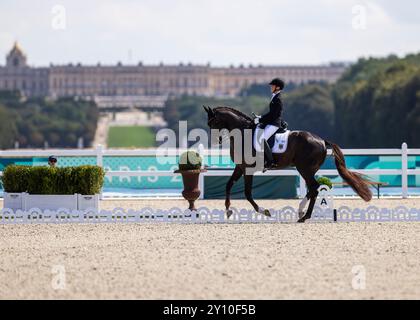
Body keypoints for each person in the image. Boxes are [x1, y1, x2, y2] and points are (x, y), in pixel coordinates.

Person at [254, 78, 285, 170]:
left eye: (272, 86)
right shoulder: (274, 96)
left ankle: (270, 162)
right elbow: (270, 113)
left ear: (278, 87)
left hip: (274, 124)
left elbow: (273, 115)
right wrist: (260, 117)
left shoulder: (278, 98)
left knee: (262, 139)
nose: (270, 87)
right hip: (271, 122)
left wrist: (260, 120)